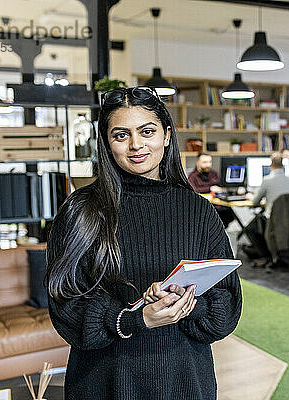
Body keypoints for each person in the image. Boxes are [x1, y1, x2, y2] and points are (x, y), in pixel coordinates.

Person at [45, 87, 242, 400]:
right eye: (121, 135)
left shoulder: (198, 210)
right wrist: (135, 317)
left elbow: (226, 308)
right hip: (104, 382)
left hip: (186, 381)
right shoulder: (80, 210)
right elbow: (66, 306)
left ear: (165, 136)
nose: (136, 144)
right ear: (107, 144)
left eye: (147, 131)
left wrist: (184, 304)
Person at [188, 152, 234, 227]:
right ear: (198, 162)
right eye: (205, 162)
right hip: (203, 208)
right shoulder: (192, 176)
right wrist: (210, 188)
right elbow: (193, 191)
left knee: (229, 213)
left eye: (210, 162)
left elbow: (220, 186)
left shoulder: (214, 174)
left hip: (219, 204)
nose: (208, 165)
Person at [250, 153, 289, 218]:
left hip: (273, 220)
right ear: (283, 166)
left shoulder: (267, 180)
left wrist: (250, 196)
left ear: (271, 166)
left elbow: (255, 201)